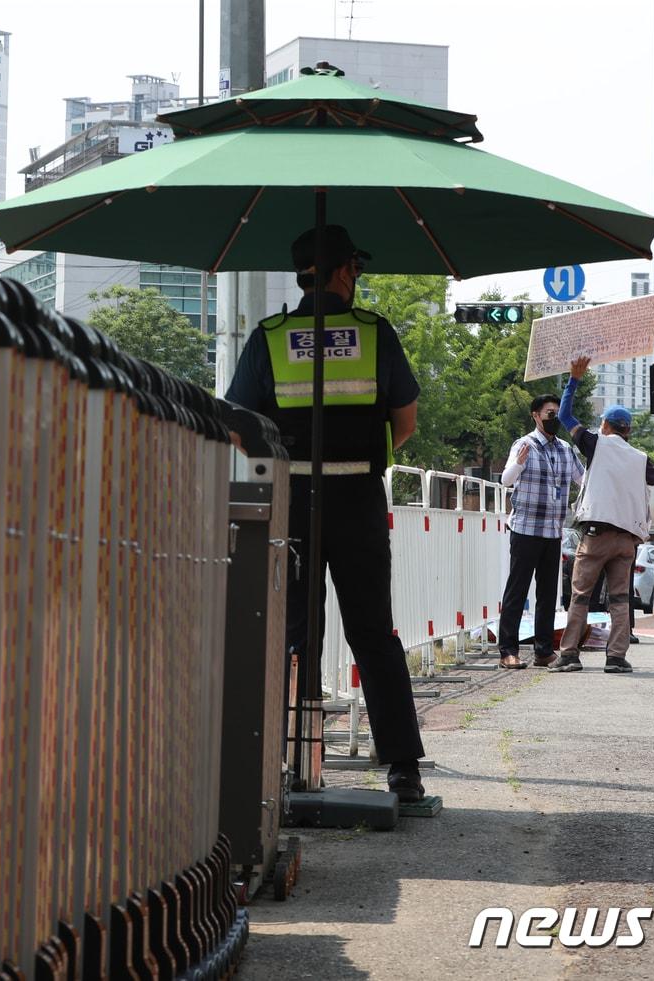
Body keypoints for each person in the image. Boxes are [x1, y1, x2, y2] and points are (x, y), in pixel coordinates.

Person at [224, 224, 426, 803]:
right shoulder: (374, 333)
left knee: (292, 632)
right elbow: (404, 423)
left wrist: (290, 463)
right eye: (356, 269)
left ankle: (289, 758)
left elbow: (241, 427)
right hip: (358, 499)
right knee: (373, 631)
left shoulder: (269, 336)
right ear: (344, 272)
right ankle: (403, 770)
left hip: (291, 503)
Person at [550, 356, 654, 673]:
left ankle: (570, 655)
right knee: (620, 599)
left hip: (596, 536)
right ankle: (616, 657)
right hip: (626, 541)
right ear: (628, 430)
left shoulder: (596, 443)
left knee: (581, 596)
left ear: (607, 426)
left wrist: (574, 379)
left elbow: (564, 414)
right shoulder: (640, 458)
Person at [497, 395, 585, 668]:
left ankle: (543, 650)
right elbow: (506, 479)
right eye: (549, 413)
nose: (554, 418)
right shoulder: (523, 445)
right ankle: (508, 651)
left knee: (548, 594)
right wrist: (519, 463)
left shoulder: (565, 449)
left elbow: (583, 480)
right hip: (525, 529)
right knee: (518, 589)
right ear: (536, 415)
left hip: (552, 531)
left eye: (557, 413)